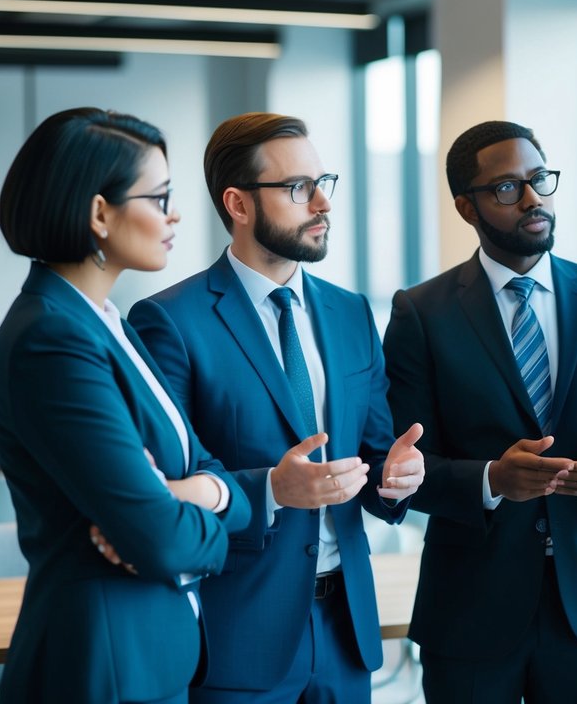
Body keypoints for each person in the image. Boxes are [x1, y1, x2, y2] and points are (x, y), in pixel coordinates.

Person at [128, 113, 424, 704]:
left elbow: (370, 456)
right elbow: (162, 486)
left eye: (324, 182)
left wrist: (394, 482)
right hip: (238, 630)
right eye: (297, 188)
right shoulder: (169, 321)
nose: (322, 203)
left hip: (346, 629)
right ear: (237, 203)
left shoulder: (351, 313)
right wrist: (269, 487)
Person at [381, 120, 577, 703]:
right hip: (469, 606)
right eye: (508, 188)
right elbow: (400, 466)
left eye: (540, 179)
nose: (533, 198)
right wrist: (490, 480)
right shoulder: (422, 313)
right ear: (467, 207)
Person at [0, 107, 251, 704]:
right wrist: (195, 522)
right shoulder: (51, 338)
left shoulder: (111, 325)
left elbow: (204, 467)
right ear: (100, 213)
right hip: (101, 667)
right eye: (158, 198)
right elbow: (156, 537)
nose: (175, 213)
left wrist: (204, 493)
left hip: (145, 657)